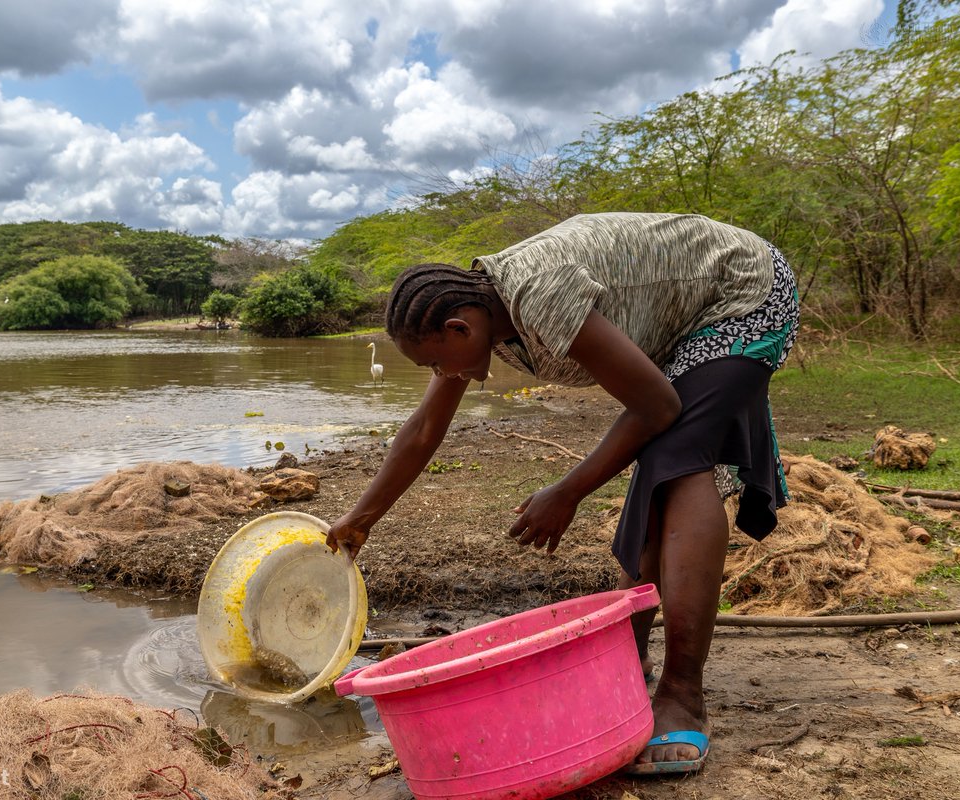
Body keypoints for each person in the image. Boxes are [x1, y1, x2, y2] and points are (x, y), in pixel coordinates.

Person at [325, 211, 799, 775]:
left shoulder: (538, 295)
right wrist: (362, 518)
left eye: (432, 361)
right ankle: (629, 659)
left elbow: (657, 406)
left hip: (743, 293)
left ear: (459, 330)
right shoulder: (486, 315)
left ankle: (682, 695)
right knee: (659, 460)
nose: (437, 372)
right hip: (691, 315)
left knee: (678, 460)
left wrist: (567, 492)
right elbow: (425, 429)